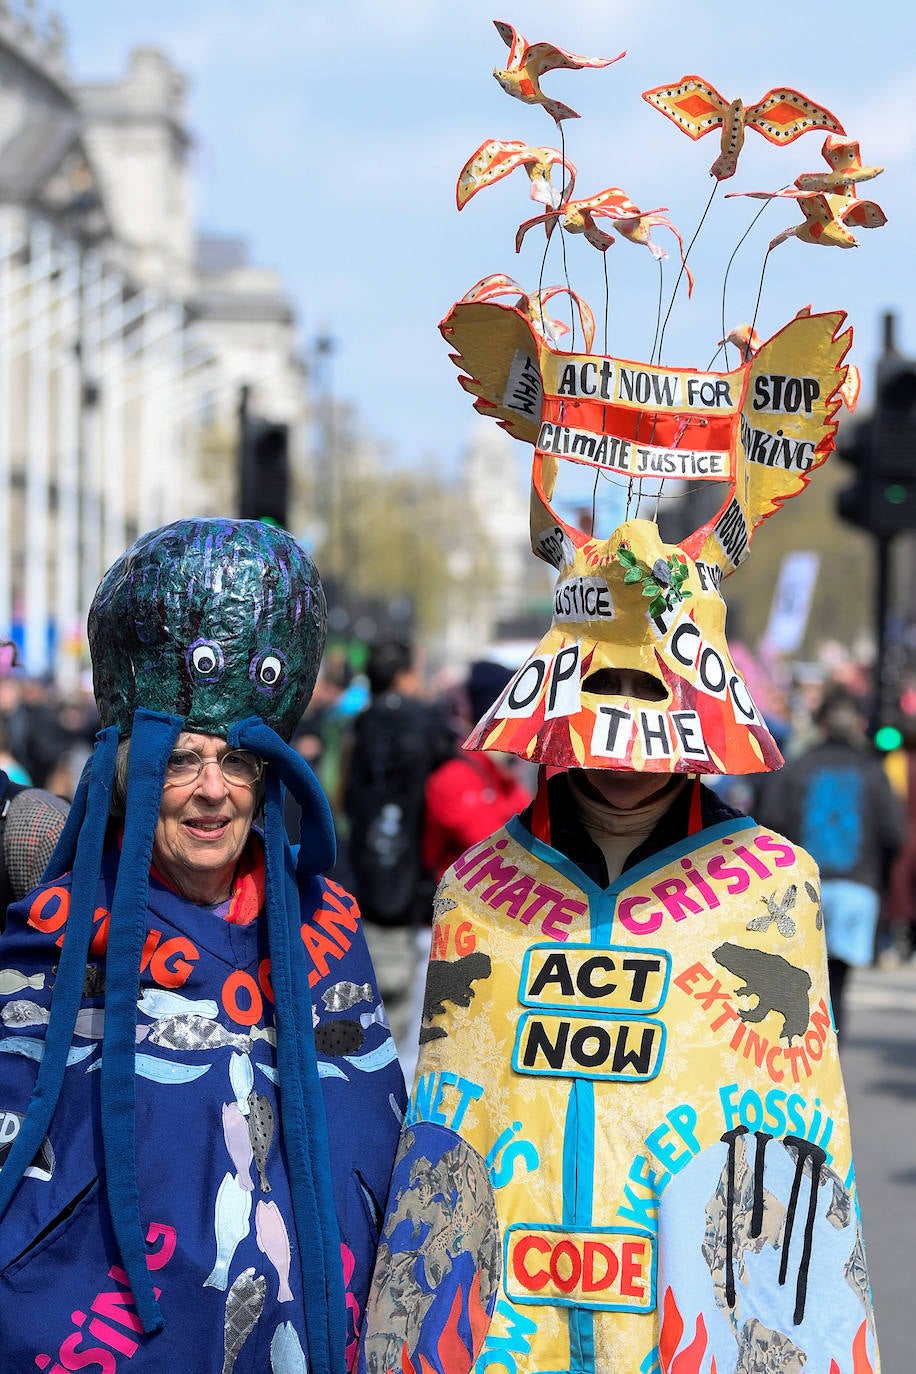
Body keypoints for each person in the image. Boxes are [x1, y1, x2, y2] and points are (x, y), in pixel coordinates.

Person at [358, 50, 882, 1371]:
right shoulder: (479, 884)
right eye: (603, 722)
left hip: (683, 1334)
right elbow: (445, 1137)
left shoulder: (773, 886)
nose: (629, 759)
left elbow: (793, 1143)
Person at [0, 519, 404, 1374]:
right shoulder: (57, 937)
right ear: (132, 772)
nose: (213, 791)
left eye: (237, 762)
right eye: (181, 761)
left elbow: (372, 1140)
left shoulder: (325, 930)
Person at [755, 682, 904, 1036]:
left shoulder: (796, 768)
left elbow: (768, 822)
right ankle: (832, 1054)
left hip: (799, 891)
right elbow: (895, 834)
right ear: (857, 723)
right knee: (837, 986)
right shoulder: (873, 772)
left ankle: (800, 1057)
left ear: (819, 723)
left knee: (797, 981)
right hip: (857, 888)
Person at [342, 637, 453, 1060]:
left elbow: (340, 796)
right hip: (414, 885)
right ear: (405, 675)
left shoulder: (353, 724)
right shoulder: (428, 724)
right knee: (407, 1015)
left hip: (360, 877)